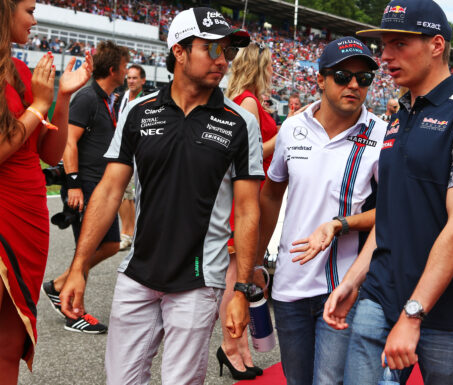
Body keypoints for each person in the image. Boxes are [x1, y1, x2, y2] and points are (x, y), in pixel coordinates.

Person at [57, 7, 262, 385]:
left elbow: (249, 211)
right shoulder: (138, 110)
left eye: (228, 51)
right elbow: (109, 190)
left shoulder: (240, 122)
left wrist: (242, 290)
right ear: (179, 51)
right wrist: (78, 267)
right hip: (138, 274)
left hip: (199, 279)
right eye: (212, 49)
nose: (223, 60)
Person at [324, 1, 453, 384]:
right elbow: (390, 218)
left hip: (448, 315)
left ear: (436, 45)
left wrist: (413, 314)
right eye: (385, 44)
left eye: (399, 44)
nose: (385, 56)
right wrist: (352, 281)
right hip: (380, 298)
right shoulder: (399, 115)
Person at [257, 36, 386, 385]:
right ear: (320, 79)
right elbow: (270, 197)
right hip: (289, 285)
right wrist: (254, 263)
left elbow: (393, 213)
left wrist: (340, 225)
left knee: (329, 382)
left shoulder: (381, 136)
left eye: (364, 78)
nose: (354, 85)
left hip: (343, 287)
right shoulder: (292, 128)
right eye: (343, 76)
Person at [0, 0, 92, 381]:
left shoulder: (24, 71)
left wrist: (62, 98)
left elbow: (49, 154)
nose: (35, 20)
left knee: (7, 347)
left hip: (29, 216)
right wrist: (39, 103)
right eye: (29, 9)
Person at [42, 40, 129, 334]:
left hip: (100, 185)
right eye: (125, 66)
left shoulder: (107, 98)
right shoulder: (88, 97)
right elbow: (69, 140)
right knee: (86, 248)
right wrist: (74, 183)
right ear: (114, 69)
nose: (128, 71)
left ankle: (58, 285)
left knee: (111, 245)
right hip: (85, 184)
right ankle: (74, 312)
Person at [217, 41, 278, 380]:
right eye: (267, 66)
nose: (271, 72)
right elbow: (252, 154)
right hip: (247, 197)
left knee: (240, 275)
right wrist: (285, 134)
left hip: (245, 196)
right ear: (258, 67)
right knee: (235, 278)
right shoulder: (250, 102)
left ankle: (238, 347)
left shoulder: (239, 99)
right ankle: (231, 345)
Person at [117, 64, 146, 251]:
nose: (131, 81)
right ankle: (128, 233)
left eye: (135, 78)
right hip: (123, 150)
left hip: (141, 152)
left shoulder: (148, 100)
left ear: (143, 80)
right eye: (129, 77)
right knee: (123, 194)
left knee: (138, 196)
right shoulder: (122, 97)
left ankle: (133, 233)